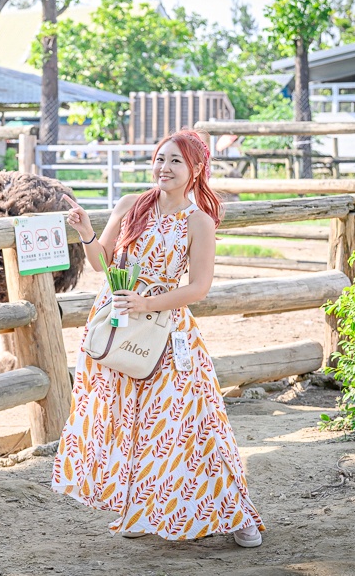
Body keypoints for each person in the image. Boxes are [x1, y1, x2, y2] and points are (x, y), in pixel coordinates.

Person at [53, 129, 265, 547]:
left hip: (166, 331)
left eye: (175, 161)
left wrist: (147, 303)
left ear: (196, 170)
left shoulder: (199, 222)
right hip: (117, 323)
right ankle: (140, 508)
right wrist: (86, 232)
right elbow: (102, 263)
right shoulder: (131, 205)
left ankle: (236, 514)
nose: (164, 168)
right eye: (160, 159)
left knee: (193, 422)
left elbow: (199, 287)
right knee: (130, 422)